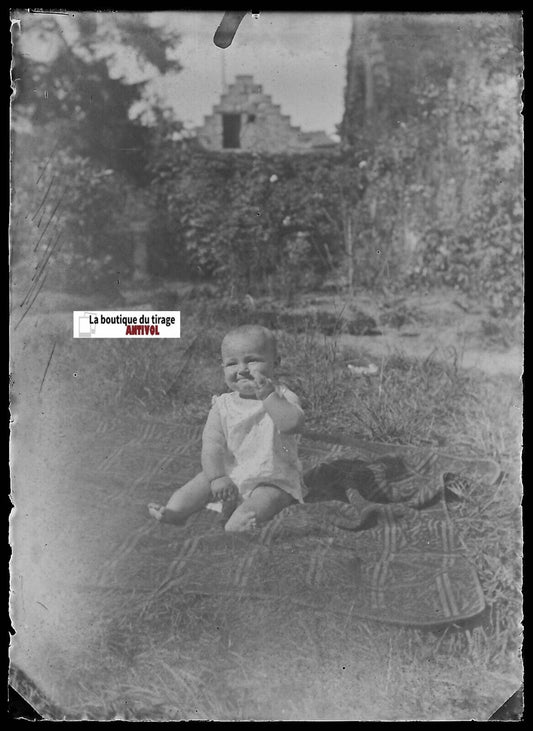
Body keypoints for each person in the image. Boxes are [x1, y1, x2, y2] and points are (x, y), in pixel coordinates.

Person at [148, 324, 306, 532]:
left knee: (269, 497)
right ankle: (176, 511)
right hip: (231, 472)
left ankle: (241, 520)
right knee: (200, 482)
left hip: (273, 477)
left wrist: (268, 397)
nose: (242, 370)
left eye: (252, 360)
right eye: (232, 363)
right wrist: (217, 477)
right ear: (222, 367)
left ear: (275, 362)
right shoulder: (222, 405)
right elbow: (212, 444)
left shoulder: (282, 396)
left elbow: (292, 424)